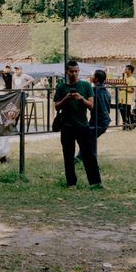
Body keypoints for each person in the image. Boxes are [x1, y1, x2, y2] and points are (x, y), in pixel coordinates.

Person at [54, 60, 101, 188]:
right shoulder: (61, 87)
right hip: (67, 126)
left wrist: (81, 99)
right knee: (68, 156)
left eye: (76, 71)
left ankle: (95, 182)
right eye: (71, 71)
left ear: (79, 71)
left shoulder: (86, 86)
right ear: (66, 72)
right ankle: (71, 183)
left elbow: (91, 106)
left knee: (88, 155)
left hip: (82, 126)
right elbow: (56, 107)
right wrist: (66, 99)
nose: (74, 74)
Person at [118, 64, 136, 130]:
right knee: (122, 113)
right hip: (121, 99)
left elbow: (132, 90)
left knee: (127, 114)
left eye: (126, 69)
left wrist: (124, 89)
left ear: (130, 71)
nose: (125, 70)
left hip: (128, 100)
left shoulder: (132, 79)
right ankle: (125, 126)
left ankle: (130, 126)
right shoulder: (122, 78)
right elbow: (119, 87)